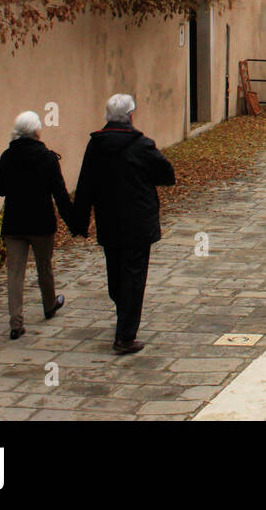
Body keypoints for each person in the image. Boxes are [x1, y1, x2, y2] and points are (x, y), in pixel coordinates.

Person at [72, 94, 175, 355]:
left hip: (109, 220)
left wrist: (80, 221)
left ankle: (124, 318)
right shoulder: (141, 145)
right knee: (133, 275)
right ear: (130, 115)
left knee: (116, 272)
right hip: (138, 221)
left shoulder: (95, 146)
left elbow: (85, 185)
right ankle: (125, 335)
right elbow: (166, 173)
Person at [0, 111, 74, 340]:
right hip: (41, 221)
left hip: (15, 223)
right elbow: (60, 193)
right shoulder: (47, 157)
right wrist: (73, 221)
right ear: (37, 130)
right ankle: (49, 305)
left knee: (15, 273)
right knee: (44, 268)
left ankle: (16, 322)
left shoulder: (7, 156)